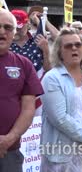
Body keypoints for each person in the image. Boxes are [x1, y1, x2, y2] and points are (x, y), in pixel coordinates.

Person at [40, 27, 82, 171]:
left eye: (78, 45)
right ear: (59, 51)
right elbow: (59, 118)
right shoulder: (51, 78)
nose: (74, 48)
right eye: (68, 46)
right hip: (63, 154)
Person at [0, 9, 44, 172]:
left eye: (7, 27)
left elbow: (28, 109)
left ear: (14, 33)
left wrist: (8, 140)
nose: (2, 32)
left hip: (10, 152)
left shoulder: (24, 64)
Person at [10, 9, 51, 77]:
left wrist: (46, 50)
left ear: (27, 24)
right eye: (12, 27)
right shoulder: (4, 44)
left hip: (34, 84)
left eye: (19, 27)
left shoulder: (38, 41)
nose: (16, 31)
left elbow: (48, 70)